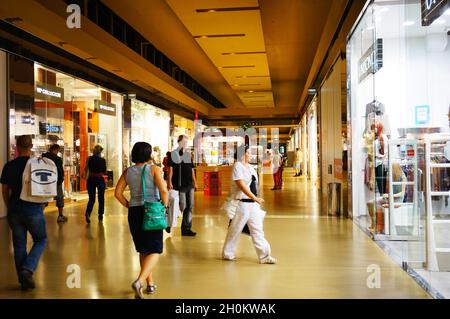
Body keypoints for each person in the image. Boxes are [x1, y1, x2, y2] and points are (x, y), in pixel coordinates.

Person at [115, 142, 169, 299]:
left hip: (134, 212)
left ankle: (149, 284)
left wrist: (130, 206)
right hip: (152, 211)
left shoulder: (127, 171)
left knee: (143, 249)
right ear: (148, 154)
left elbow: (117, 193)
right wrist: (164, 208)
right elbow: (164, 190)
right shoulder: (154, 169)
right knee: (156, 249)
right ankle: (139, 281)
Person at [1, 135, 48, 290]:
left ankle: (24, 282)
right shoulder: (36, 165)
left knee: (19, 245)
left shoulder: (9, 166)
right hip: (33, 208)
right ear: (31, 146)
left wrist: (9, 206)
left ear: (17, 146)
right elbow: (44, 186)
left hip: (15, 208)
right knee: (41, 239)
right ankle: (27, 269)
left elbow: (4, 190)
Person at [222, 144, 276, 264]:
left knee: (258, 230)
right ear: (242, 154)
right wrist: (255, 198)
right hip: (241, 204)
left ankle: (265, 256)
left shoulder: (251, 168)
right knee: (235, 229)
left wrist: (255, 200)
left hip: (253, 206)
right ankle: (228, 253)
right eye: (248, 152)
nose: (250, 154)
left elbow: (254, 185)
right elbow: (241, 185)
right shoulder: (237, 166)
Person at [168, 135, 198, 237]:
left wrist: (195, 182)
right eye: (183, 142)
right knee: (182, 206)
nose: (185, 143)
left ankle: (186, 228)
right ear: (179, 142)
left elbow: (192, 169)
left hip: (189, 184)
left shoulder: (187, 154)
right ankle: (169, 223)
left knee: (190, 206)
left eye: (186, 142)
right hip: (179, 184)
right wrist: (169, 182)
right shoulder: (173, 154)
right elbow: (170, 170)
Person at [43, 144, 67, 223]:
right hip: (55, 182)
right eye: (58, 151)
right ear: (56, 150)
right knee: (60, 198)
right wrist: (60, 180)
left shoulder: (43, 157)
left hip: (45, 181)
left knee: (44, 199)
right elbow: (60, 171)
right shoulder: (57, 159)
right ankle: (60, 216)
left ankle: (40, 215)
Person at [83, 144, 107, 224]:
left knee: (91, 198)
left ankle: (88, 213)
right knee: (101, 198)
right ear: (100, 151)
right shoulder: (102, 160)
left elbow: (87, 168)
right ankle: (100, 216)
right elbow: (104, 171)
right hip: (100, 179)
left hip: (91, 179)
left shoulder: (89, 159)